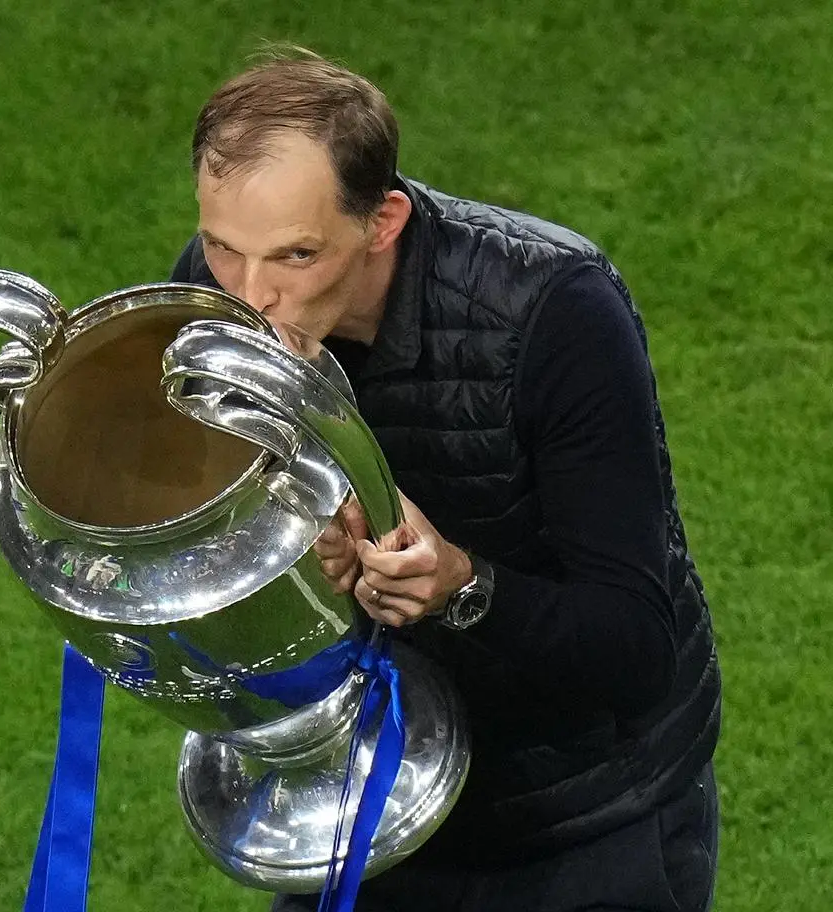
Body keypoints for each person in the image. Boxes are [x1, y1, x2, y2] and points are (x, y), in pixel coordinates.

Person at [170, 49, 722, 912]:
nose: (250, 296)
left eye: (297, 255)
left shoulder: (555, 313)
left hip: (585, 824)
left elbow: (636, 649)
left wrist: (462, 587)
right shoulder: (215, 300)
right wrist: (290, 556)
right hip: (363, 810)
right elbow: (225, 573)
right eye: (221, 246)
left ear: (383, 221)